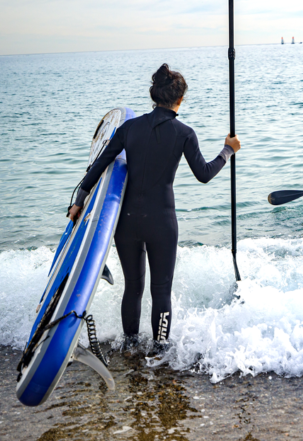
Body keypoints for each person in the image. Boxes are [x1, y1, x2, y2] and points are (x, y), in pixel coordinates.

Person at [67, 63, 241, 349]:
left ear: (154, 95)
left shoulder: (128, 128)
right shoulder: (184, 133)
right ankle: (160, 350)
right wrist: (227, 151)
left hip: (126, 221)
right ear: (180, 99)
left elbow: (99, 164)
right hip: (161, 222)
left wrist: (78, 202)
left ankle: (130, 345)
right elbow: (204, 174)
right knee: (161, 291)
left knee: (133, 288)